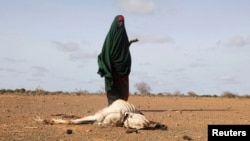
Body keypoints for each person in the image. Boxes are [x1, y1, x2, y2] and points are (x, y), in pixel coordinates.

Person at [97, 15, 138, 105]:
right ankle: (111, 104)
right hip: (112, 66)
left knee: (121, 87)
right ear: (115, 23)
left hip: (122, 67)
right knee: (113, 85)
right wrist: (106, 63)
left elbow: (123, 48)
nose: (121, 23)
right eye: (119, 22)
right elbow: (106, 50)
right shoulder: (110, 35)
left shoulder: (123, 35)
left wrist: (130, 42)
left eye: (122, 22)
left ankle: (121, 104)